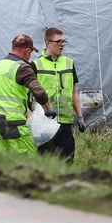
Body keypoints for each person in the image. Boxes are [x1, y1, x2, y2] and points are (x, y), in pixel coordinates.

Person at [0, 34, 54, 153]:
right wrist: (48, 110)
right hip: (14, 124)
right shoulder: (23, 67)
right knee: (26, 163)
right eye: (31, 52)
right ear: (27, 51)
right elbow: (39, 92)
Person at [34, 27, 86, 161]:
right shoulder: (36, 64)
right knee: (47, 161)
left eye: (64, 42)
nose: (62, 45)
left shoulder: (69, 63)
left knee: (67, 159)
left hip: (65, 122)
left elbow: (74, 92)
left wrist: (80, 116)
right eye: (58, 42)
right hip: (45, 122)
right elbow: (30, 95)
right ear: (47, 43)